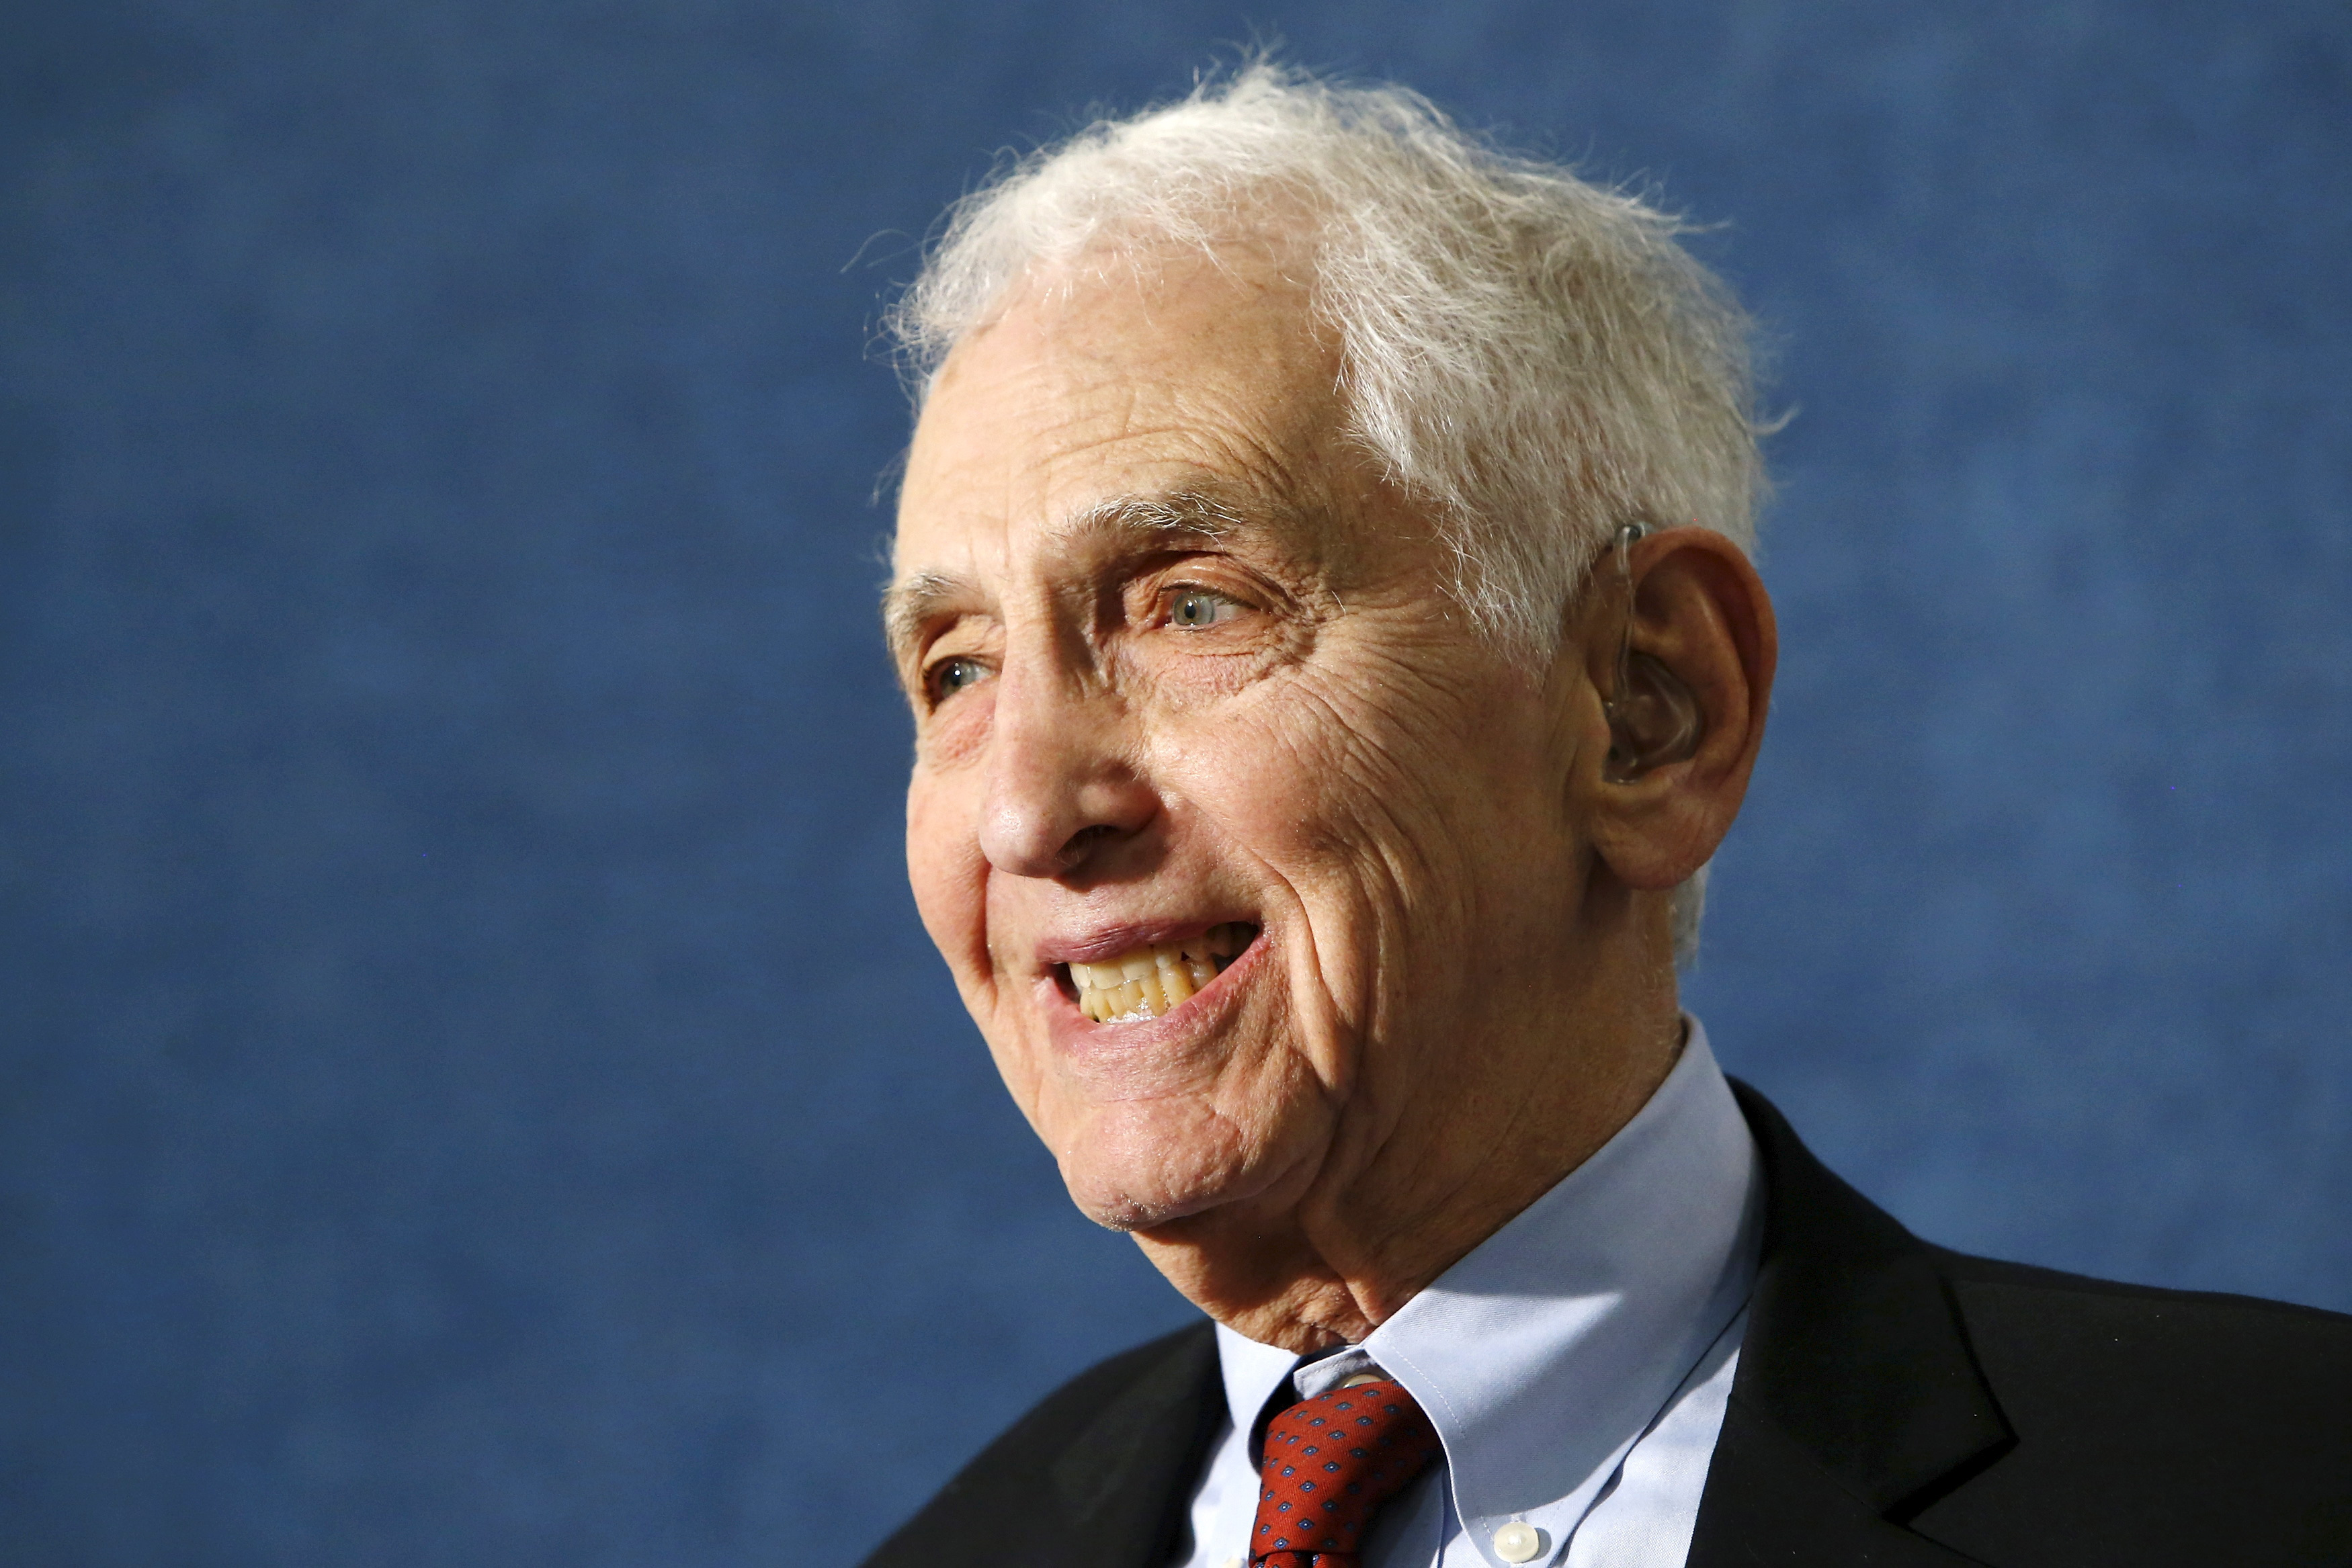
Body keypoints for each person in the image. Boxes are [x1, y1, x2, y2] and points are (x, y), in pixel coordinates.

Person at [861, 63, 2352, 1568]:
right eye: (960, 668)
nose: (1027, 811)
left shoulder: (2273, 1494)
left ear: (1649, 711)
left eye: (1191, 605)